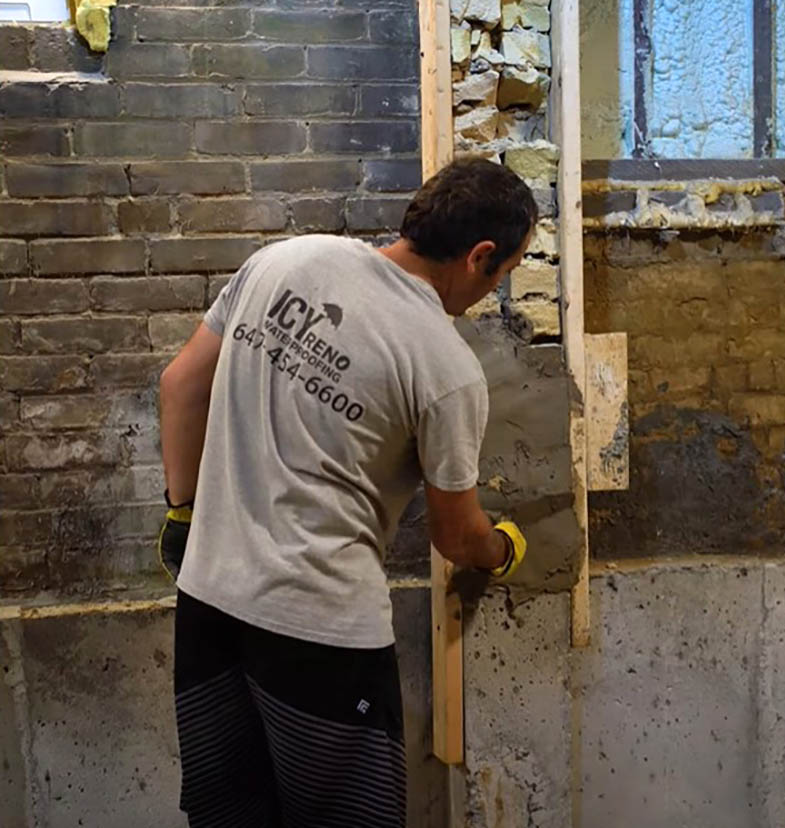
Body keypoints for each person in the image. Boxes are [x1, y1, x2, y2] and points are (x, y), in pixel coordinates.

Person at [157, 158, 536, 828]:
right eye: (503, 274)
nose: (494, 289)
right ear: (481, 256)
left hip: (208, 603)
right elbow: (455, 535)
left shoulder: (286, 261)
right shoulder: (444, 368)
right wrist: (499, 551)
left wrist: (184, 513)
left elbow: (181, 384)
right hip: (320, 637)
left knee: (230, 816)